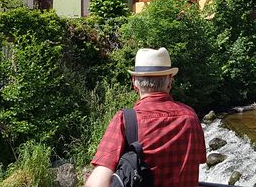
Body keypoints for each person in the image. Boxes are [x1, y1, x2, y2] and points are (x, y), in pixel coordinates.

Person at [85, 47, 206, 187]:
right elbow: (199, 161)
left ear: (134, 82)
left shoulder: (125, 120)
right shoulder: (191, 117)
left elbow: (97, 184)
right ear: (170, 81)